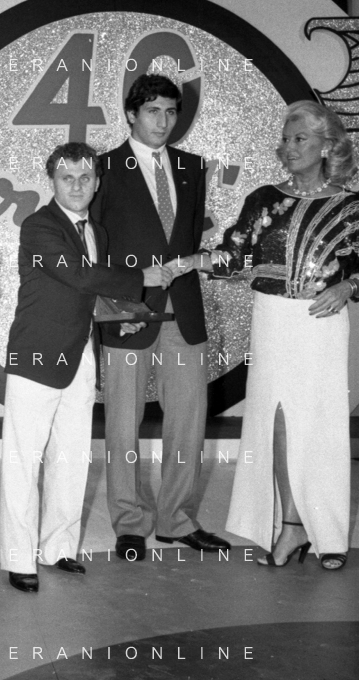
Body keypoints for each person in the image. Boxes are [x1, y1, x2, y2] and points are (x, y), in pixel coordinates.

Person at [212, 101, 359, 570]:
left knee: (321, 425)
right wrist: (190, 262)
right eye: (285, 139)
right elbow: (233, 257)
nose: (288, 148)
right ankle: (291, 527)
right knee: (276, 422)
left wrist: (347, 287)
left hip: (321, 324)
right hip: (272, 319)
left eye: (300, 139)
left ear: (327, 146)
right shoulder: (262, 200)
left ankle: (326, 533)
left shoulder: (354, 207)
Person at [0, 143, 171, 593]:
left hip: (81, 354)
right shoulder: (39, 226)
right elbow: (77, 275)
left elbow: (91, 295)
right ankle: (19, 558)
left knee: (72, 456)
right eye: (66, 178)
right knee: (23, 461)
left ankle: (58, 548)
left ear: (97, 182)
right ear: (52, 182)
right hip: (36, 354)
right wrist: (141, 279)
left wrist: (123, 315)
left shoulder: (97, 230)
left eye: (85, 177)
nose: (76, 186)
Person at [90, 73, 230, 562]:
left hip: (184, 310)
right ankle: (129, 523)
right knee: (122, 425)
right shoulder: (104, 167)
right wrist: (114, 305)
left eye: (171, 112)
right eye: (153, 111)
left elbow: (187, 242)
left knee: (188, 422)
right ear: (131, 114)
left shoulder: (192, 167)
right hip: (128, 311)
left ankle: (177, 520)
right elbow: (94, 245)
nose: (163, 121)